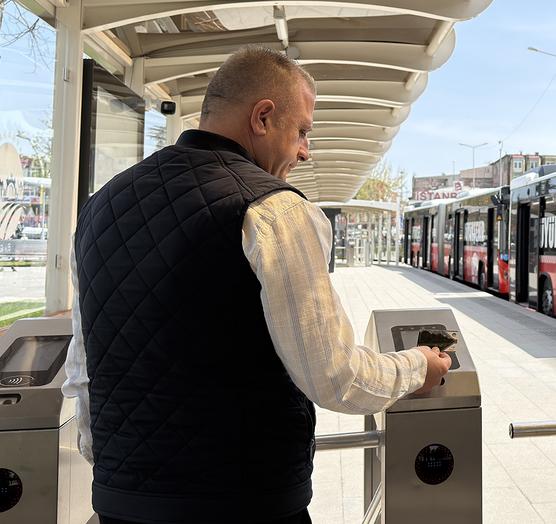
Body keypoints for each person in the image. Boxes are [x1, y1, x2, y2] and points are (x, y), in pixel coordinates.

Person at [63, 45, 450, 524]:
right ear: (263, 117)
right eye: (302, 132)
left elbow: (82, 370)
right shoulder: (274, 209)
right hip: (246, 504)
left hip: (121, 505)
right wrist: (418, 366)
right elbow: (336, 377)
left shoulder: (99, 208)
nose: (305, 151)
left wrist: (118, 474)